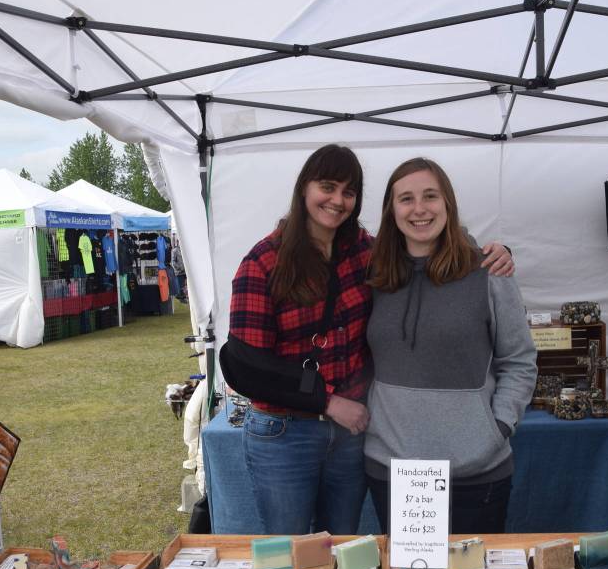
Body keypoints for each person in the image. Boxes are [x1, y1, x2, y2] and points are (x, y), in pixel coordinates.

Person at [224, 145, 513, 535]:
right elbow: (245, 366)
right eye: (327, 187)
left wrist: (490, 253)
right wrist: (325, 400)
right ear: (304, 189)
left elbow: (425, 236)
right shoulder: (263, 263)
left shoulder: (365, 252)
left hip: (349, 436)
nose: (337, 200)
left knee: (343, 554)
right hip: (286, 433)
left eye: (349, 192)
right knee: (293, 557)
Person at [363, 157, 537, 534]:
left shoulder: (489, 271)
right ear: (392, 211)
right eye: (406, 199)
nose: (419, 208)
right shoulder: (374, 276)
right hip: (393, 470)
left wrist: (499, 427)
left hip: (475, 470)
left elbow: (519, 361)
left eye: (430, 196)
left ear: (448, 204)